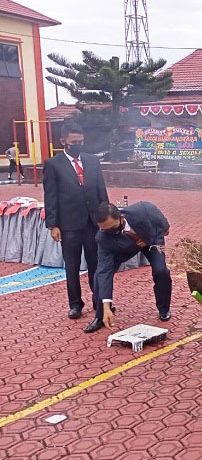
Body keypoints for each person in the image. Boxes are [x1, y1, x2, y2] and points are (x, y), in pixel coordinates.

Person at [43, 123, 109, 319]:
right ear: (63, 142)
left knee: (96, 265)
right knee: (72, 266)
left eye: (81, 141)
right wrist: (53, 225)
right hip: (69, 225)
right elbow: (51, 196)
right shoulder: (53, 164)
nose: (78, 144)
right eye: (74, 142)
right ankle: (75, 304)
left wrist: (106, 216)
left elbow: (100, 190)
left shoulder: (92, 161)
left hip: (92, 223)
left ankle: (100, 302)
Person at [87, 202, 172, 333]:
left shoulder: (142, 210)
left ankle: (164, 308)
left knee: (161, 271)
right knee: (99, 276)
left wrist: (164, 228)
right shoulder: (103, 238)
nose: (107, 232)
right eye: (103, 229)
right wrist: (106, 305)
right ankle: (101, 315)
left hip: (151, 241)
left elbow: (159, 219)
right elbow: (105, 270)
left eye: (111, 228)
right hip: (124, 249)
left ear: (121, 218)